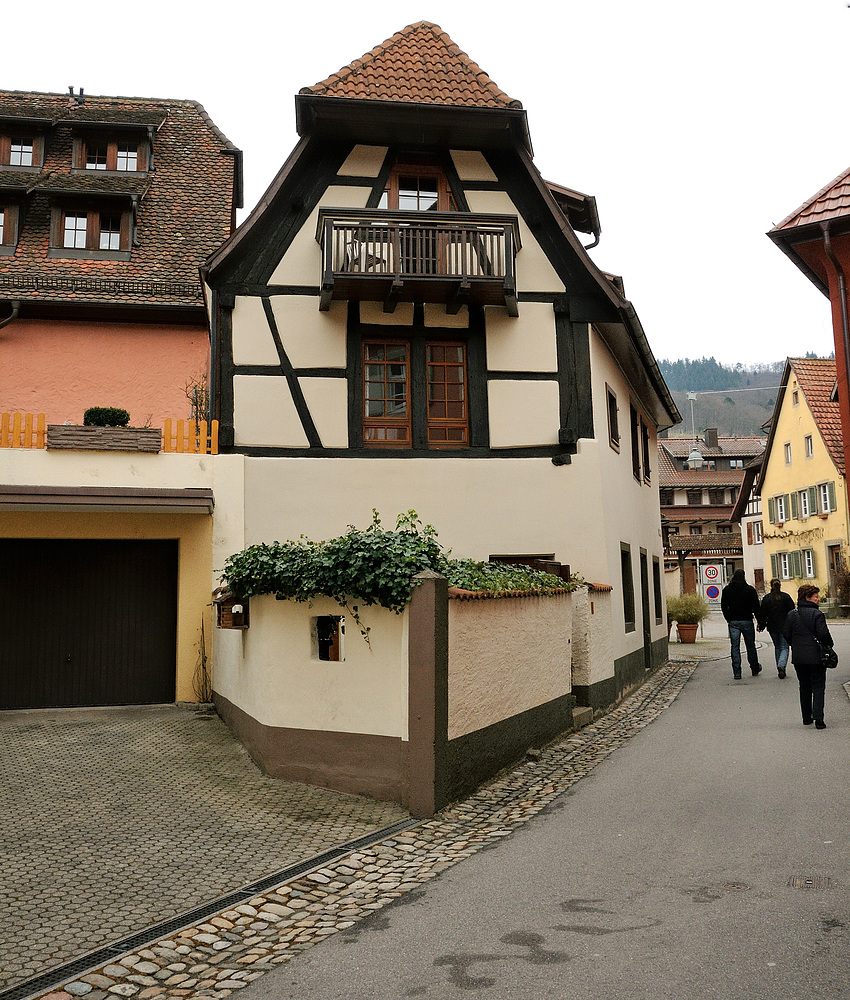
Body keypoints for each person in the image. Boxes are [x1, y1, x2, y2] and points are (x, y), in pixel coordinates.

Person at [783, 584, 833, 729]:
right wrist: (829, 644)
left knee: (804, 686)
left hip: (799, 657)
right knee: (818, 685)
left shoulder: (792, 614)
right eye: (816, 597)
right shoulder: (817, 615)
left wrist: (796, 644)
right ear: (807, 598)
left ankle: (806, 717)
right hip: (816, 656)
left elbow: (786, 634)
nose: (818, 599)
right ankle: (819, 719)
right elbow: (823, 634)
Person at [720, 569, 763, 679]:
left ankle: (737, 672)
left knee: (735, 647)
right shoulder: (750, 590)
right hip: (747, 620)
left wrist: (728, 618)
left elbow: (724, 606)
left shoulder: (727, 590)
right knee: (750, 646)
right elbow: (756, 607)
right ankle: (754, 667)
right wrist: (760, 622)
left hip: (733, 621)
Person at [760, 578, 795, 678]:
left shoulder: (767, 598)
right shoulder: (786, 597)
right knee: (784, 647)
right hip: (785, 626)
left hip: (772, 627)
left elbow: (763, 614)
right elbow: (792, 612)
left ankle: (780, 667)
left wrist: (762, 625)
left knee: (777, 647)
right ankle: (781, 665)